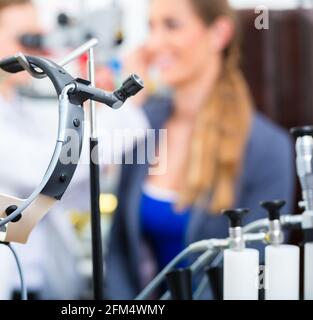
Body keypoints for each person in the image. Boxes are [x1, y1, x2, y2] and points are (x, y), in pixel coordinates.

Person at [0, 0, 148, 300]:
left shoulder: (24, 110)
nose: (35, 52)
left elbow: (73, 192)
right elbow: (43, 170)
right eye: (25, 39)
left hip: (41, 282)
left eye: (38, 40)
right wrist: (129, 112)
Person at [106, 0, 295, 299]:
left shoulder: (269, 148)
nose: (153, 44)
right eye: (150, 27)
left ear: (219, 33)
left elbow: (258, 269)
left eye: (172, 25)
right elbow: (117, 249)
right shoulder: (143, 124)